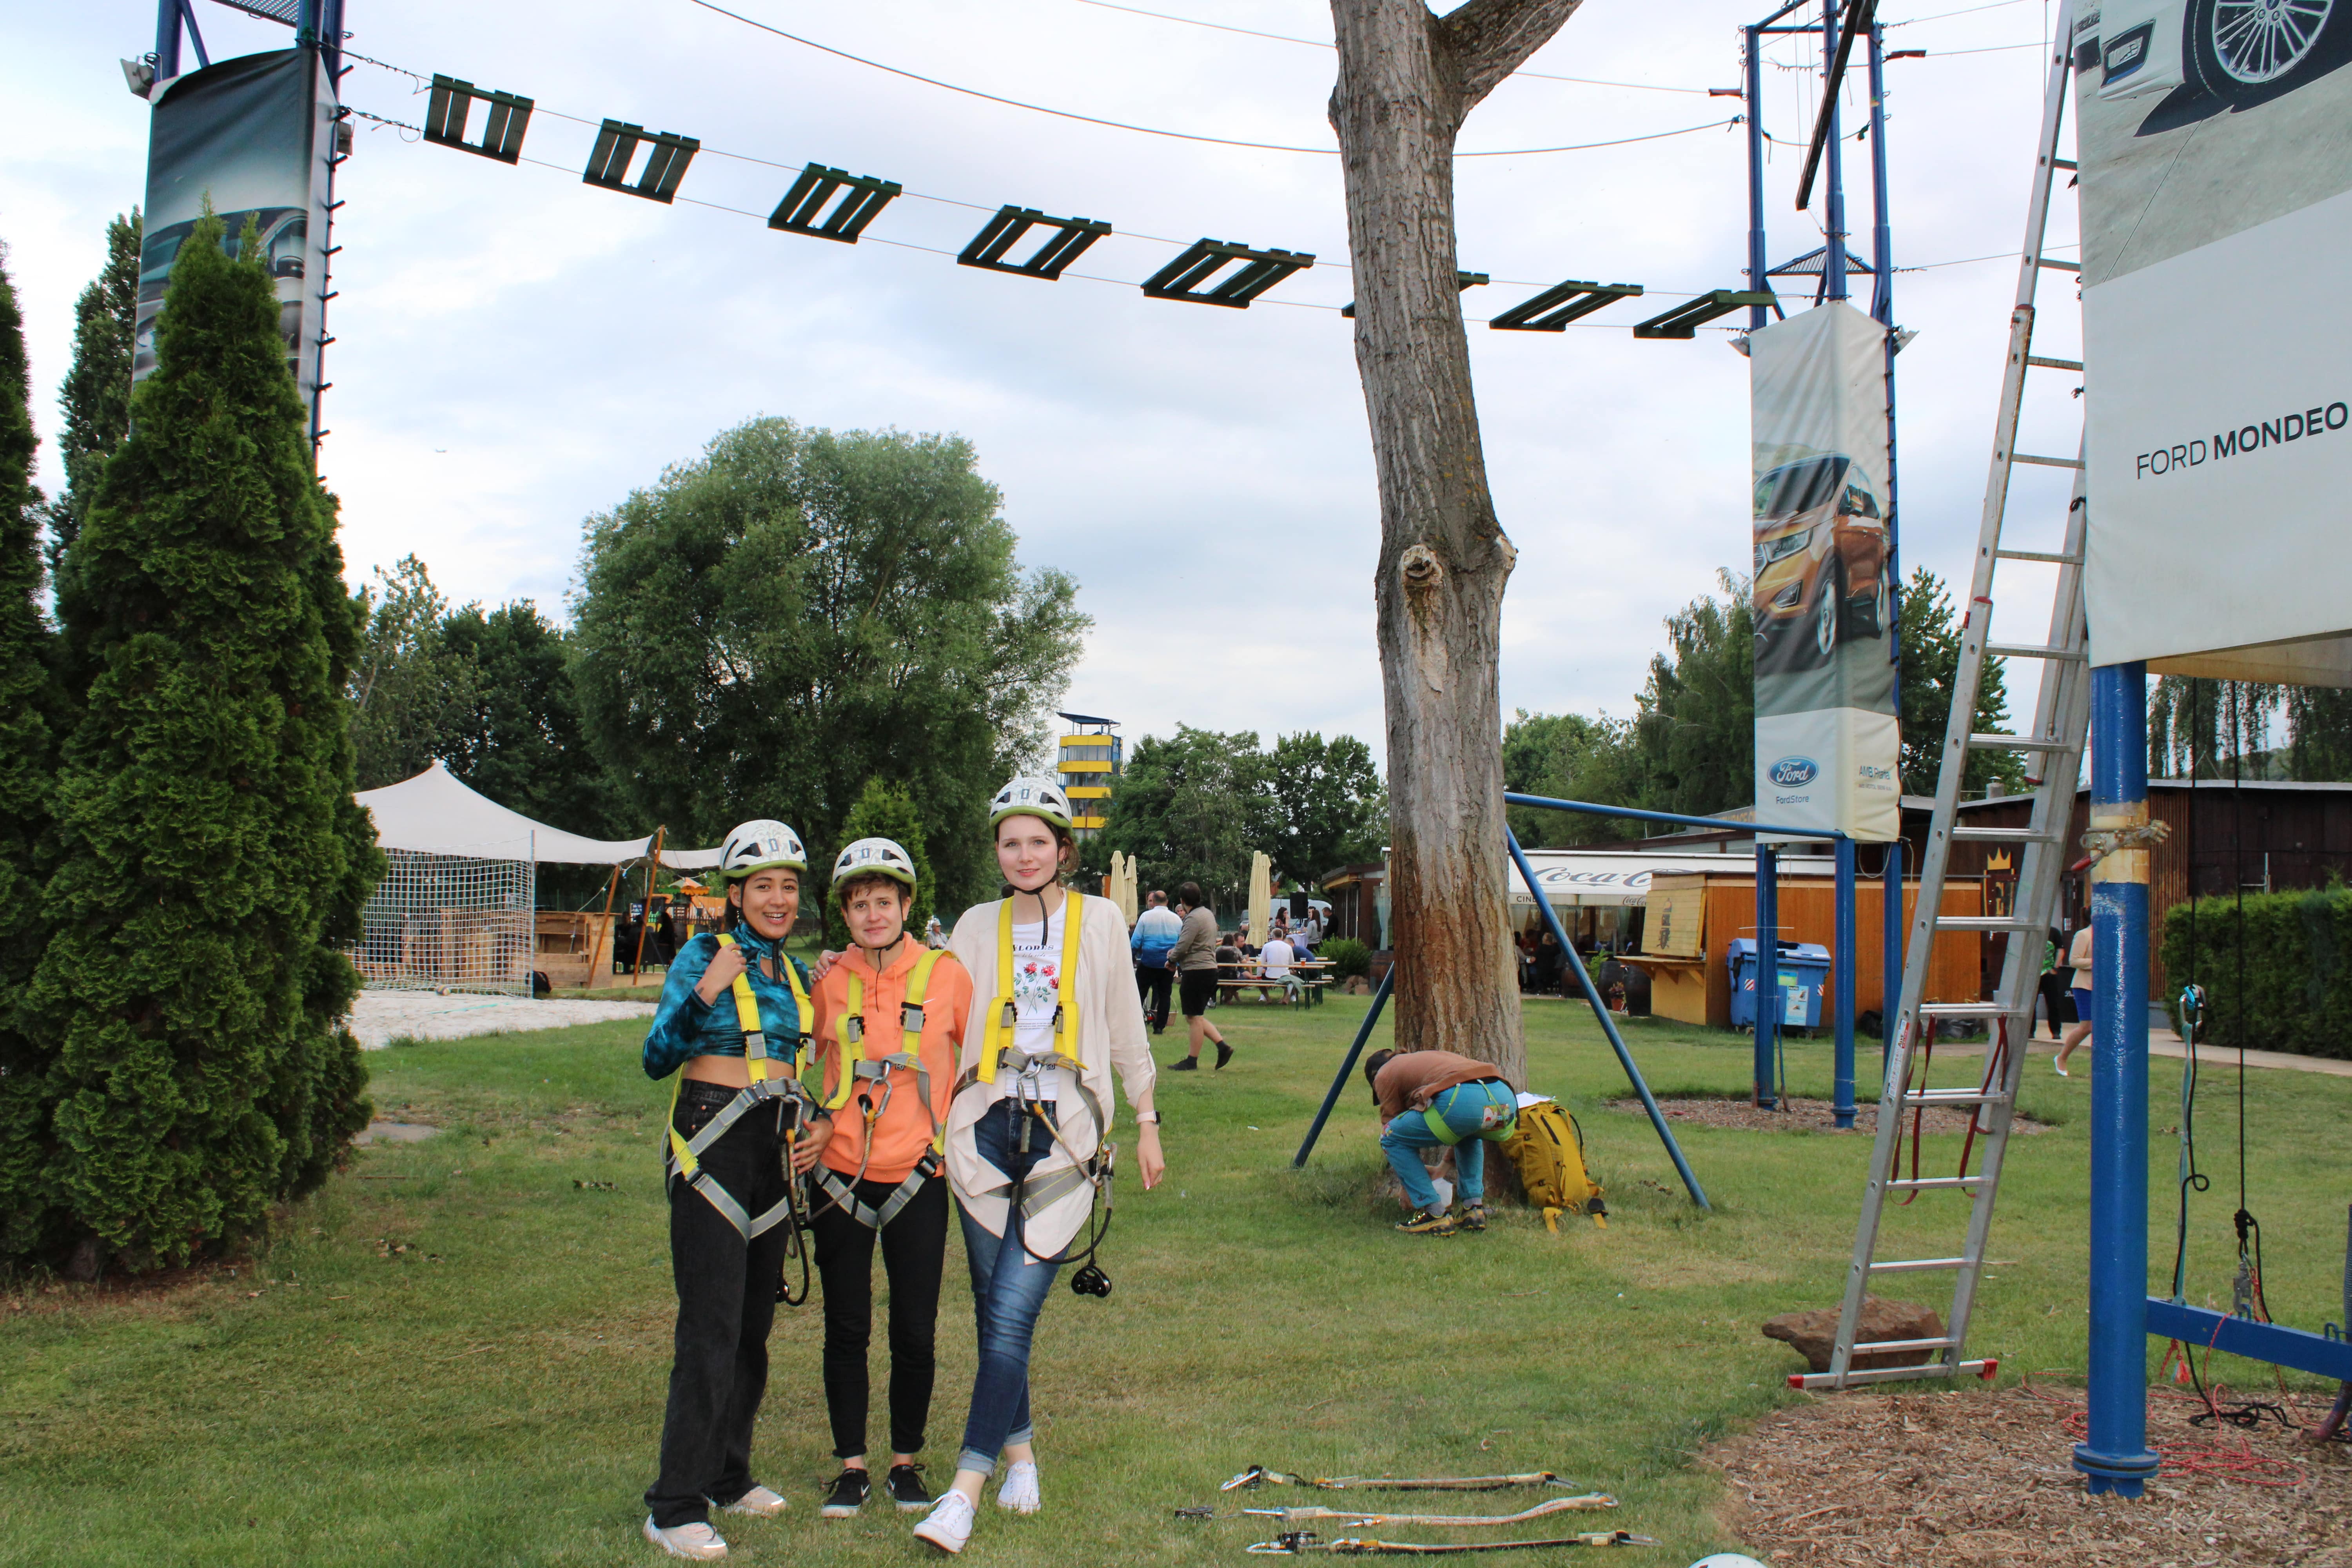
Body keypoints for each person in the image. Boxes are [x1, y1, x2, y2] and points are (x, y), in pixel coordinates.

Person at [910, 776, 1165, 1555]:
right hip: (981, 1127)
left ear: (1063, 848)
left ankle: (963, 1489)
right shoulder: (975, 925)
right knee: (995, 1306)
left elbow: (1125, 1020)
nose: (1025, 854)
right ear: (998, 851)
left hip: (1068, 1130)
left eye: (1039, 841)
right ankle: (1021, 1452)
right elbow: (941, 1022)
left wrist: (1146, 1116)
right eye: (1011, 842)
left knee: (1015, 1308)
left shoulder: (1102, 920)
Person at [639, 821, 829, 1562]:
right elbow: (659, 1057)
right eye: (763, 888)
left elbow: (798, 1066)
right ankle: (674, 1504)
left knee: (753, 1326)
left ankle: (728, 1474)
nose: (778, 899)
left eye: (788, 887)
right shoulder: (701, 956)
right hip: (711, 1144)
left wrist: (815, 1123)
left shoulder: (799, 974)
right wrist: (704, 996)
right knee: (711, 1326)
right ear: (736, 895)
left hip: (774, 1153)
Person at [807, 838, 972, 1521]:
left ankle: (906, 1461)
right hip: (840, 1173)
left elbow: (980, 1060)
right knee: (846, 1326)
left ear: (907, 905)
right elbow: (794, 1064)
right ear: (844, 914)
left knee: (915, 1326)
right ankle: (851, 1466)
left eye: (884, 902)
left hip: (918, 1173)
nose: (872, 915)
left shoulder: (947, 975)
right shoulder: (823, 981)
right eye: (859, 905)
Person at [1363, 1046, 1519, 1237]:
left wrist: (1410, 1188)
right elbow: (1462, 1122)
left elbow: (1395, 1127)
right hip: (1504, 1100)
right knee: (1470, 1132)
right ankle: (1474, 1209)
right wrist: (1442, 1169)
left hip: (1462, 1099)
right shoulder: (1426, 1058)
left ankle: (1434, 1213)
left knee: (1390, 1137)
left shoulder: (1383, 1074)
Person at [1164, 882, 1230, 1071]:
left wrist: (1172, 959)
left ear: (1182, 901)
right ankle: (1223, 1047)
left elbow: (1184, 944)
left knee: (1193, 1017)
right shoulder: (1208, 914)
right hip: (1210, 969)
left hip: (1197, 971)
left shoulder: (1192, 918)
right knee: (1196, 1016)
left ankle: (1192, 1060)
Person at [1129, 889, 1182, 1036]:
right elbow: (1181, 942)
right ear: (1167, 902)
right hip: (1168, 963)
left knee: (1139, 993)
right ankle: (1159, 1027)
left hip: (1148, 961)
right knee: (1165, 995)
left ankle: (1135, 1024)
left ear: (1155, 901)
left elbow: (1136, 940)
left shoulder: (1146, 917)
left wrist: (1132, 956)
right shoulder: (1177, 919)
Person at [2055, 922, 2094, 1074]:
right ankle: (2062, 1057)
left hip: (2105, 988)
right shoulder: (2084, 935)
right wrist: (2098, 961)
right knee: (2087, 1026)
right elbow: (2074, 961)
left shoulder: (2111, 934)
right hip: (2085, 986)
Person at [2034, 926, 2068, 1042]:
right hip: (2033, 974)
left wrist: (2055, 968)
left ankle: (2056, 1031)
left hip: (2049, 973)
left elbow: (2060, 950)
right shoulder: (2032, 930)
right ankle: (2029, 1031)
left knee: (2053, 1002)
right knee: (2030, 1004)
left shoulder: (2054, 932)